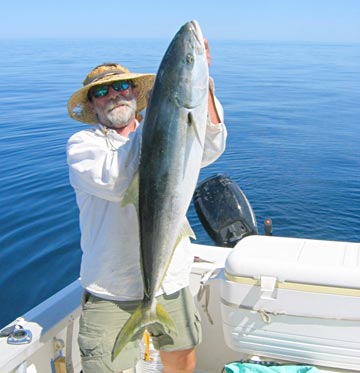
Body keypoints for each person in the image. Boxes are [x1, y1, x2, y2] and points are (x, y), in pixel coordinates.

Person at [66, 40, 227, 373]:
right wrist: (162, 118)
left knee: (182, 358)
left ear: (134, 94)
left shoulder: (171, 129)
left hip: (171, 278)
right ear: (92, 107)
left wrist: (202, 81)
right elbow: (119, 180)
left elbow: (210, 146)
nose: (114, 94)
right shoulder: (83, 146)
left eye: (122, 86)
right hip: (111, 285)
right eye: (102, 92)